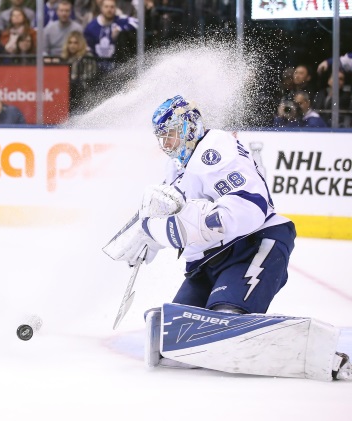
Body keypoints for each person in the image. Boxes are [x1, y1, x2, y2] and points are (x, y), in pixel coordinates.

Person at [102, 95, 351, 381]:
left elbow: (249, 208)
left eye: (170, 134)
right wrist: (148, 233)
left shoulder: (216, 151)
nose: (166, 144)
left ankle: (319, 356)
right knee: (174, 337)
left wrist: (179, 223)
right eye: (162, 137)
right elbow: (175, 210)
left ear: (188, 127)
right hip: (205, 263)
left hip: (253, 245)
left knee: (223, 322)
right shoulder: (176, 166)